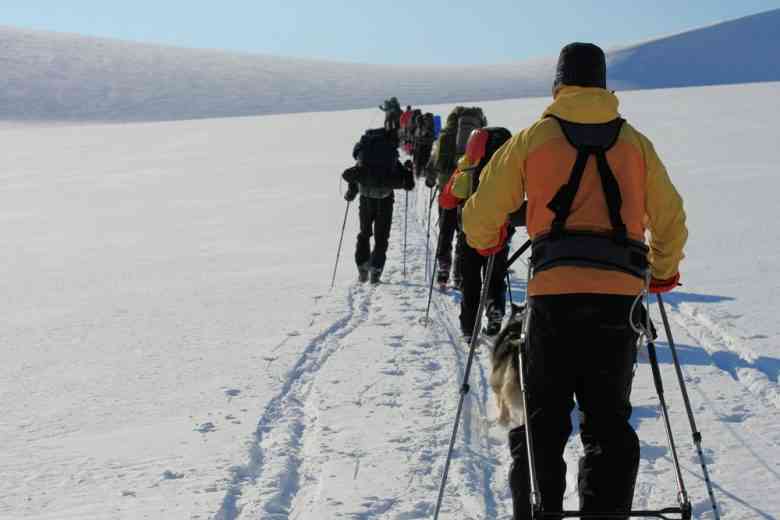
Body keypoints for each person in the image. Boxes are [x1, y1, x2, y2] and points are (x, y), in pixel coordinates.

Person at [462, 42, 687, 519]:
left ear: (559, 84)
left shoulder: (533, 138)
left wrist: (489, 239)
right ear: (605, 85)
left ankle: (539, 512)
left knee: (541, 424)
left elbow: (479, 214)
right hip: (618, 303)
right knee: (608, 425)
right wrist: (663, 272)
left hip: (553, 299)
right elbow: (670, 219)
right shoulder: (635, 143)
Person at [439, 127, 513, 340]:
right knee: (496, 275)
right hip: (499, 232)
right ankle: (494, 307)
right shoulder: (508, 170)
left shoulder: (466, 169)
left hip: (469, 233)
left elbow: (447, 201)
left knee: (470, 281)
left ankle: (469, 328)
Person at [426, 106, 487, 288]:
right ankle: (460, 274)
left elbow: (434, 162)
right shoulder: (480, 135)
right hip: (470, 191)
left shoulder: (445, 136)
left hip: (448, 190)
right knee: (464, 233)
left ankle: (443, 268)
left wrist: (431, 179)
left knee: (446, 230)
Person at [343, 127, 415, 283]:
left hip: (365, 197)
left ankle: (362, 266)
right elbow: (408, 183)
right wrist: (408, 172)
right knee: (381, 237)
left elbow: (359, 173)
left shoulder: (365, 150)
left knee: (364, 233)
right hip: (385, 199)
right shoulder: (389, 150)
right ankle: (376, 270)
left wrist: (351, 193)